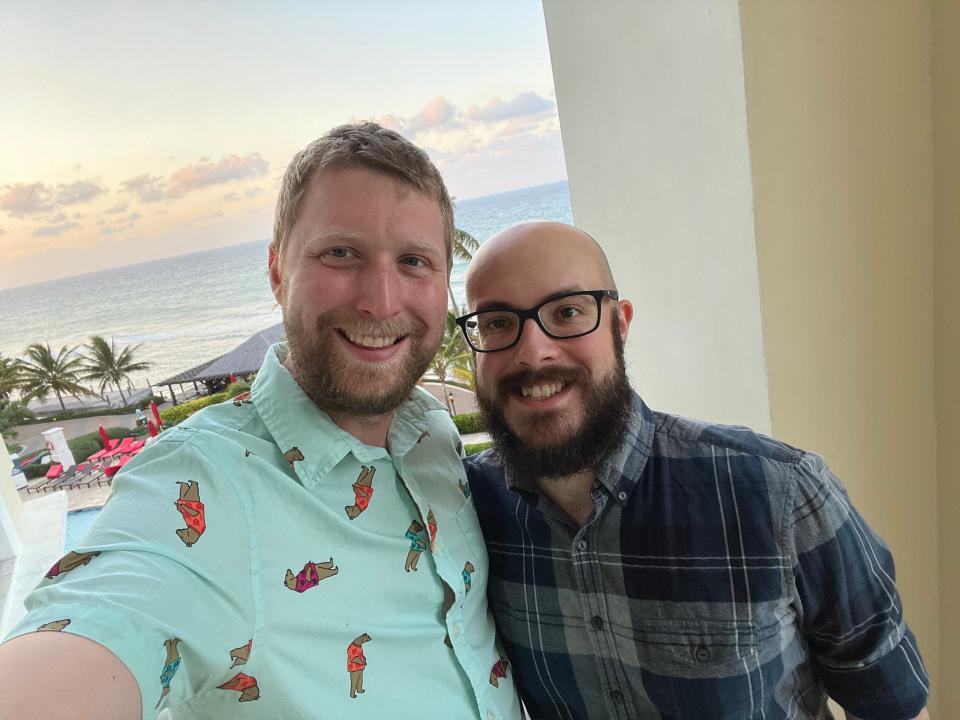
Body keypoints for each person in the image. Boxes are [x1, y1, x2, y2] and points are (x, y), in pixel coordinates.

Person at [0, 123, 521, 720]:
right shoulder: (207, 483)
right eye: (341, 253)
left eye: (413, 261)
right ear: (277, 273)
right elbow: (105, 618)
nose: (381, 300)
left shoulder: (429, 431)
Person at [459, 220, 930, 720]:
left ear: (620, 324)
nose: (533, 352)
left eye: (568, 311)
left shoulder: (780, 493)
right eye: (497, 323)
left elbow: (890, 706)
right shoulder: (465, 511)